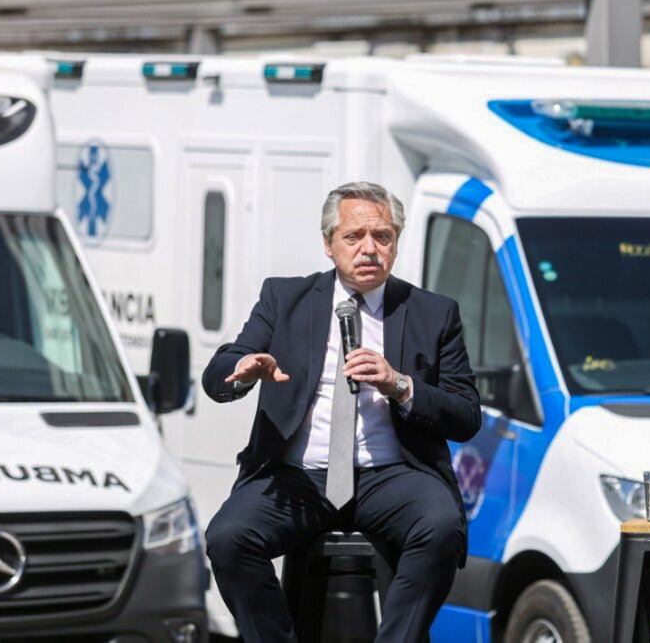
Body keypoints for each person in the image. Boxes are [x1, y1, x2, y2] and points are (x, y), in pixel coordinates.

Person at [202, 181, 481, 642]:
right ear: (329, 244)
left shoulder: (433, 313)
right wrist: (245, 370)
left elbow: (466, 415)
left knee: (441, 526)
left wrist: (399, 385)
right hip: (297, 476)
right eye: (354, 236)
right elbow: (218, 374)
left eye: (382, 236)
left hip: (391, 474)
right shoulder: (284, 299)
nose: (369, 248)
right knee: (228, 538)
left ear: (396, 242)